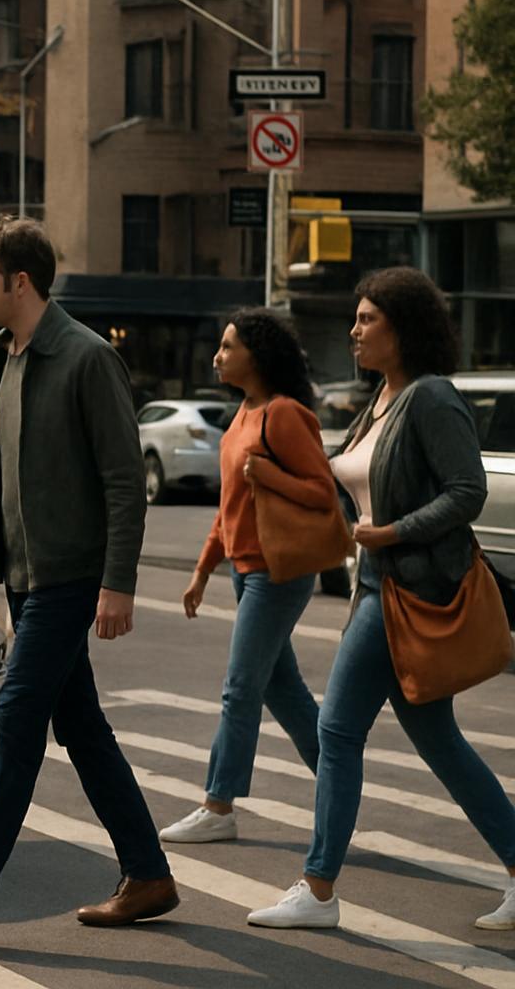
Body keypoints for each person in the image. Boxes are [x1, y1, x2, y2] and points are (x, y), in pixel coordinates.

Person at [0, 214, 178, 945]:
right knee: (81, 726)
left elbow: (121, 483)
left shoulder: (84, 359)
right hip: (25, 575)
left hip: (70, 578)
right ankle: (147, 875)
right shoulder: (0, 357)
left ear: (21, 281)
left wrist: (119, 583)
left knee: (15, 721)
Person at [248, 266, 515, 930]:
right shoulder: (379, 401)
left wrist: (393, 531)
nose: (355, 331)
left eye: (368, 319)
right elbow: (348, 483)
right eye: (357, 319)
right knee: (439, 741)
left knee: (337, 730)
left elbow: (467, 491)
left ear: (404, 328)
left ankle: (317, 888)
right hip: (374, 584)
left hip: (406, 587)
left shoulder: (431, 399)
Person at [161, 309, 330, 844]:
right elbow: (228, 507)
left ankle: (218, 804)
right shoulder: (241, 416)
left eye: (229, 347)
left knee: (240, 689)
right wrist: (202, 570)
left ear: (256, 355)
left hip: (277, 574)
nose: (218, 356)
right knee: (284, 691)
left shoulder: (284, 415)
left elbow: (323, 493)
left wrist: (271, 473)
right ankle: (338, 777)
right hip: (245, 571)